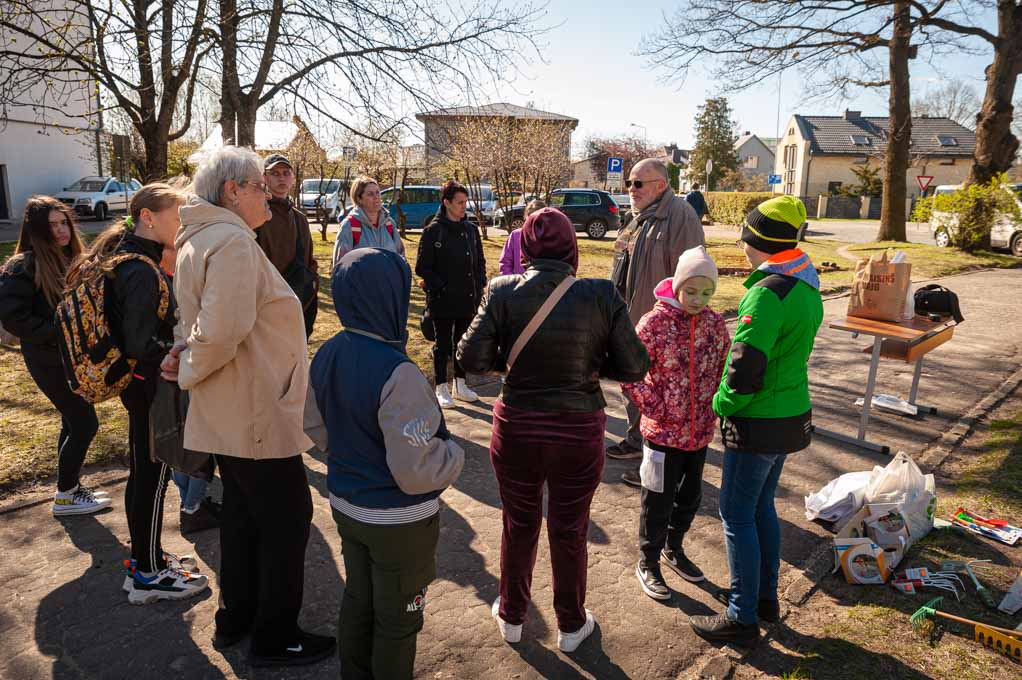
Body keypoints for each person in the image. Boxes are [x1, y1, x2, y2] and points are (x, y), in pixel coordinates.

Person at [161, 146, 335, 667]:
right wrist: (187, 367)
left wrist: (184, 354)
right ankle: (276, 636)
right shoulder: (231, 243)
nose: (270, 194)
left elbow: (195, 323)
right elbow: (221, 331)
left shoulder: (204, 239)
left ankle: (236, 618)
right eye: (260, 185)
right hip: (254, 410)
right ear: (232, 191)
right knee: (287, 519)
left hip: (234, 408)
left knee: (242, 517)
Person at [458, 208, 649, 652]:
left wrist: (511, 358)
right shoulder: (601, 294)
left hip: (518, 426)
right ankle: (570, 624)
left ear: (525, 247)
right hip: (578, 429)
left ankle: (511, 613)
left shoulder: (502, 291)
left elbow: (471, 359)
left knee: (518, 523)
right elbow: (635, 365)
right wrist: (590, 363)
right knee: (569, 528)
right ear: (572, 247)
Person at [306, 247, 465, 679]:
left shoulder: (328, 352)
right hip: (398, 521)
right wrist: (455, 456)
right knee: (398, 619)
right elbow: (416, 471)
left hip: (347, 505)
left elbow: (312, 424)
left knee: (359, 597)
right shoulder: (400, 372)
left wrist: (346, 454)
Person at [64, 183, 209, 603]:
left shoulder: (127, 257)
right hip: (148, 388)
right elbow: (138, 344)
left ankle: (149, 559)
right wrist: (179, 347)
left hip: (138, 387)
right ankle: (146, 574)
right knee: (151, 478)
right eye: (176, 215)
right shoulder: (140, 270)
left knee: (147, 476)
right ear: (149, 217)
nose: (181, 224)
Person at [689, 196, 822, 647]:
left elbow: (745, 368)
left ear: (760, 242)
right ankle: (765, 598)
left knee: (736, 514)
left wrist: (720, 404)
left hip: (758, 420)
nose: (743, 247)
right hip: (788, 417)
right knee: (761, 507)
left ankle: (742, 616)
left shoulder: (766, 293)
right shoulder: (805, 286)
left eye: (747, 238)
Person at [620, 246, 729, 600]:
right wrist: (654, 405)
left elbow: (725, 366)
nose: (698, 299)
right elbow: (628, 369)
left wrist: (716, 406)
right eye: (692, 291)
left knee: (690, 497)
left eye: (707, 292)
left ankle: (674, 547)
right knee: (657, 500)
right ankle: (647, 560)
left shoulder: (714, 323)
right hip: (662, 434)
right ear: (678, 286)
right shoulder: (655, 323)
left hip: (699, 434)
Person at [0, 196, 107, 516]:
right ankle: (66, 495)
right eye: (52, 226)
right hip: (48, 359)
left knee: (72, 420)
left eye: (64, 223)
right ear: (36, 231)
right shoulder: (23, 264)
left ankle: (69, 490)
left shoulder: (70, 257)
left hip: (73, 357)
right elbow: (14, 318)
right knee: (85, 423)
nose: (61, 230)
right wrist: (61, 333)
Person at [607, 159, 705, 487]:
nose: (630, 190)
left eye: (638, 183)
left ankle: (657, 471)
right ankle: (638, 444)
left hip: (663, 325)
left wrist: (675, 322)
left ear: (660, 186)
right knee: (635, 383)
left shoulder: (680, 216)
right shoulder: (641, 218)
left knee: (660, 396)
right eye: (629, 184)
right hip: (633, 318)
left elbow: (691, 276)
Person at [158, 242, 221, 536]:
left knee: (180, 445)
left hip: (171, 370)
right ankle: (191, 508)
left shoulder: (169, 278)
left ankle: (189, 502)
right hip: (187, 367)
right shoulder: (178, 282)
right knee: (200, 451)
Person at [416, 180, 486, 408]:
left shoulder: (471, 230)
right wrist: (440, 287)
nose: (464, 206)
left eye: (466, 202)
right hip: (442, 300)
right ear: (446, 203)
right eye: (460, 202)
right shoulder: (433, 231)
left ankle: (460, 384)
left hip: (468, 297)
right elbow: (422, 267)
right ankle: (441, 387)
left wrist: (480, 283)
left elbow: (480, 262)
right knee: (442, 344)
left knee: (463, 342)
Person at [256, 154, 319, 338]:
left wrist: (311, 287)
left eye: (286, 173)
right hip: (264, 308)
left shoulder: (299, 219)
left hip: (297, 304)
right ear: (264, 178)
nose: (281, 178)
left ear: (293, 178)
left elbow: (308, 262)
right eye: (275, 173)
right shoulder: (256, 215)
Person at [332, 175, 405, 267]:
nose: (376, 197)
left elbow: (401, 258)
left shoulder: (389, 224)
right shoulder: (349, 226)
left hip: (389, 281)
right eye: (370, 194)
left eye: (377, 192)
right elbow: (340, 267)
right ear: (359, 199)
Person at [498, 198, 546, 275]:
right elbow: (505, 263)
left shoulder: (551, 236)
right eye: (531, 218)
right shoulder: (516, 235)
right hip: (518, 283)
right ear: (526, 217)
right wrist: (511, 282)